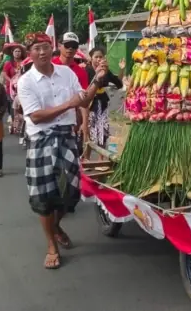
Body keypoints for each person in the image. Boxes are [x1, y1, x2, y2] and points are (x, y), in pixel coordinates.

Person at [17, 32, 106, 270]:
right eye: (37, 48)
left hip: (66, 136)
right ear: (30, 53)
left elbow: (84, 101)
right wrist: (68, 104)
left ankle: (55, 226)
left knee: (72, 193)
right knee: (43, 197)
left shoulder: (66, 73)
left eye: (46, 47)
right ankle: (51, 245)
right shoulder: (25, 82)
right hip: (41, 140)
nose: (42, 52)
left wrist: (97, 80)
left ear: (52, 49)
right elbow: (35, 115)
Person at [53, 32, 90, 150]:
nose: (70, 48)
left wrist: (85, 123)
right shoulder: (50, 66)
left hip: (71, 121)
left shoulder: (81, 71)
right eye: (67, 45)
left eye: (74, 46)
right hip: (50, 120)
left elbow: (83, 99)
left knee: (73, 158)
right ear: (59, 45)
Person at [85, 47, 124, 152]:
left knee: (103, 131)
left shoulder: (106, 71)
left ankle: (102, 159)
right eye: (96, 57)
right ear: (91, 58)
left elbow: (119, 84)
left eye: (100, 57)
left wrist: (121, 69)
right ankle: (86, 158)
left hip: (102, 103)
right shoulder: (86, 70)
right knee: (91, 131)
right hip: (89, 104)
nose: (98, 59)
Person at [2, 43, 27, 138]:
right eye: (16, 51)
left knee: (23, 108)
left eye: (19, 51)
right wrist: (11, 81)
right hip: (12, 89)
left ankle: (23, 126)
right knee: (14, 108)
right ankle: (15, 124)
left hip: (23, 88)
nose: (17, 53)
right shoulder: (8, 63)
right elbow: (4, 74)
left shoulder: (25, 62)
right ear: (12, 53)